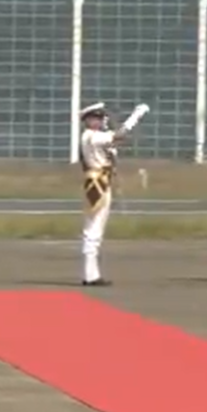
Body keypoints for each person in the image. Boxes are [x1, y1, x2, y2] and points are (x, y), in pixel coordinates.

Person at [78, 102, 149, 286]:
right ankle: (90, 275)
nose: (101, 120)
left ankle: (91, 273)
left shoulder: (91, 137)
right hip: (98, 182)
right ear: (88, 120)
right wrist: (135, 117)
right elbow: (120, 135)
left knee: (93, 229)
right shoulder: (92, 137)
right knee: (93, 229)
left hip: (97, 181)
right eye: (97, 118)